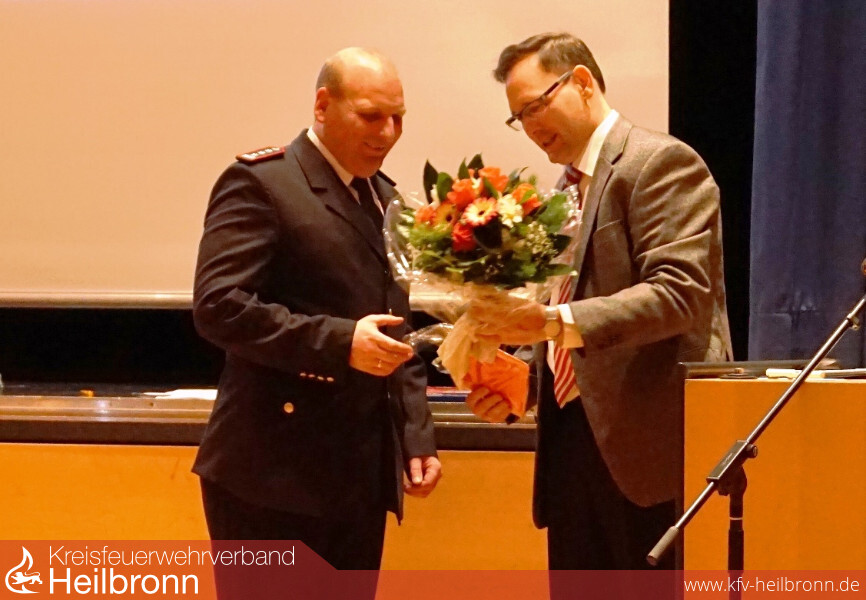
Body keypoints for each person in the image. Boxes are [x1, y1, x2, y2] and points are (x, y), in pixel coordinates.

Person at [466, 33, 732, 573]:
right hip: (572, 450)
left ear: (583, 82)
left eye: (536, 106)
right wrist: (521, 384)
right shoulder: (564, 191)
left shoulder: (658, 162)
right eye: (519, 117)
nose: (531, 126)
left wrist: (551, 321)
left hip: (650, 454)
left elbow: (679, 294)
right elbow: (565, 310)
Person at [191, 47, 442, 574]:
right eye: (371, 116)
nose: (389, 132)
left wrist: (414, 434)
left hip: (358, 475)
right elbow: (219, 305)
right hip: (271, 474)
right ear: (323, 105)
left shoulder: (386, 197)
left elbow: (397, 329)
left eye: (398, 117)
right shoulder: (263, 182)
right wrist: (341, 341)